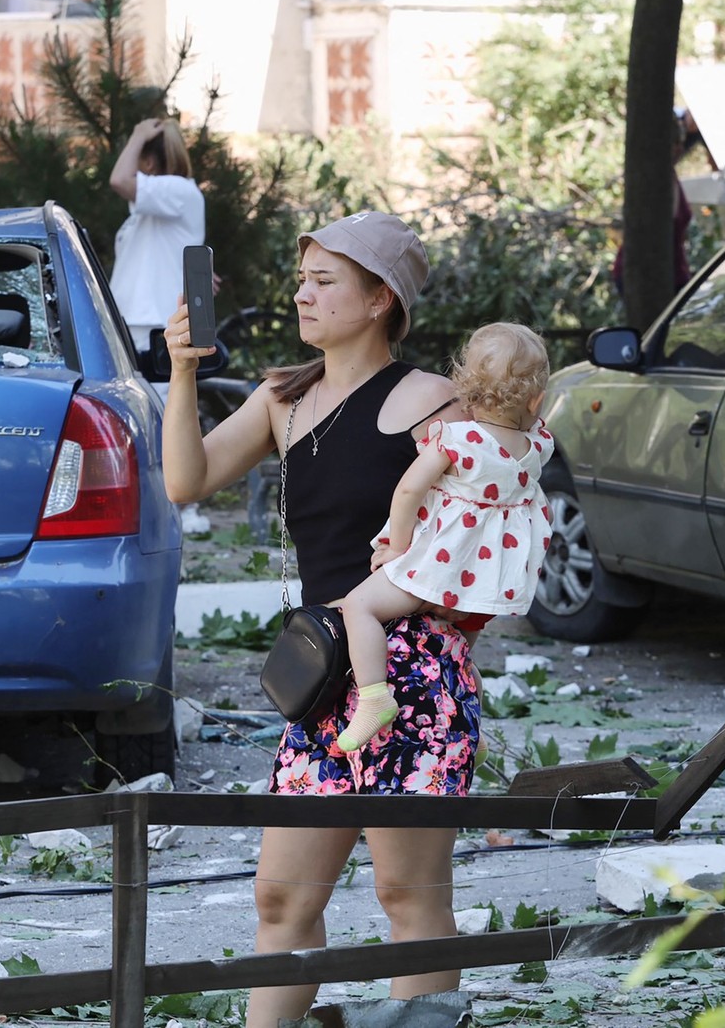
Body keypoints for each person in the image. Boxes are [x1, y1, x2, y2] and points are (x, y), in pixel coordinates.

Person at [160, 210, 478, 1028]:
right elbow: (186, 481)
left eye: (323, 280)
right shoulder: (284, 398)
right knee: (280, 896)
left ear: (379, 300)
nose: (303, 293)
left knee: (406, 893)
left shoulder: (432, 401)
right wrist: (183, 371)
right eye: (302, 278)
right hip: (325, 673)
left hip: (412, 674)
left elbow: (484, 529)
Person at [335, 323, 553, 752]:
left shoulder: (457, 439)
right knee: (461, 655)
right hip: (483, 585)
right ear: (536, 400)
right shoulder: (537, 447)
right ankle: (472, 725)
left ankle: (375, 698)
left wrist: (397, 548)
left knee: (358, 606)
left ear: (466, 391)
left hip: (437, 568)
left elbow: (408, 490)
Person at [107, 117, 206, 346]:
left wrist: (138, 135)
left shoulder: (179, 190)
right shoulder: (156, 206)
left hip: (154, 326)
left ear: (149, 163)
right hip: (136, 324)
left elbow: (120, 179)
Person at [611, 110, 693, 296]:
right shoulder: (652, 182)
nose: (679, 149)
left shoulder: (670, 176)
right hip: (651, 278)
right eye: (673, 144)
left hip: (674, 274)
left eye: (680, 142)